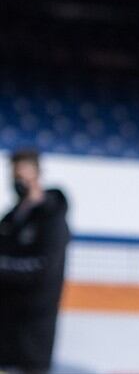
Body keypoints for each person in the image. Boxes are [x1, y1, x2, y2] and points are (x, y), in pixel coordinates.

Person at [0, 148, 70, 373]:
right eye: (14, 175)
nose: (18, 182)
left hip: (33, 329)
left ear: (37, 175)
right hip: (6, 326)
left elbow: (44, 267)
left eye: (23, 176)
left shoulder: (51, 217)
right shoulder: (11, 218)